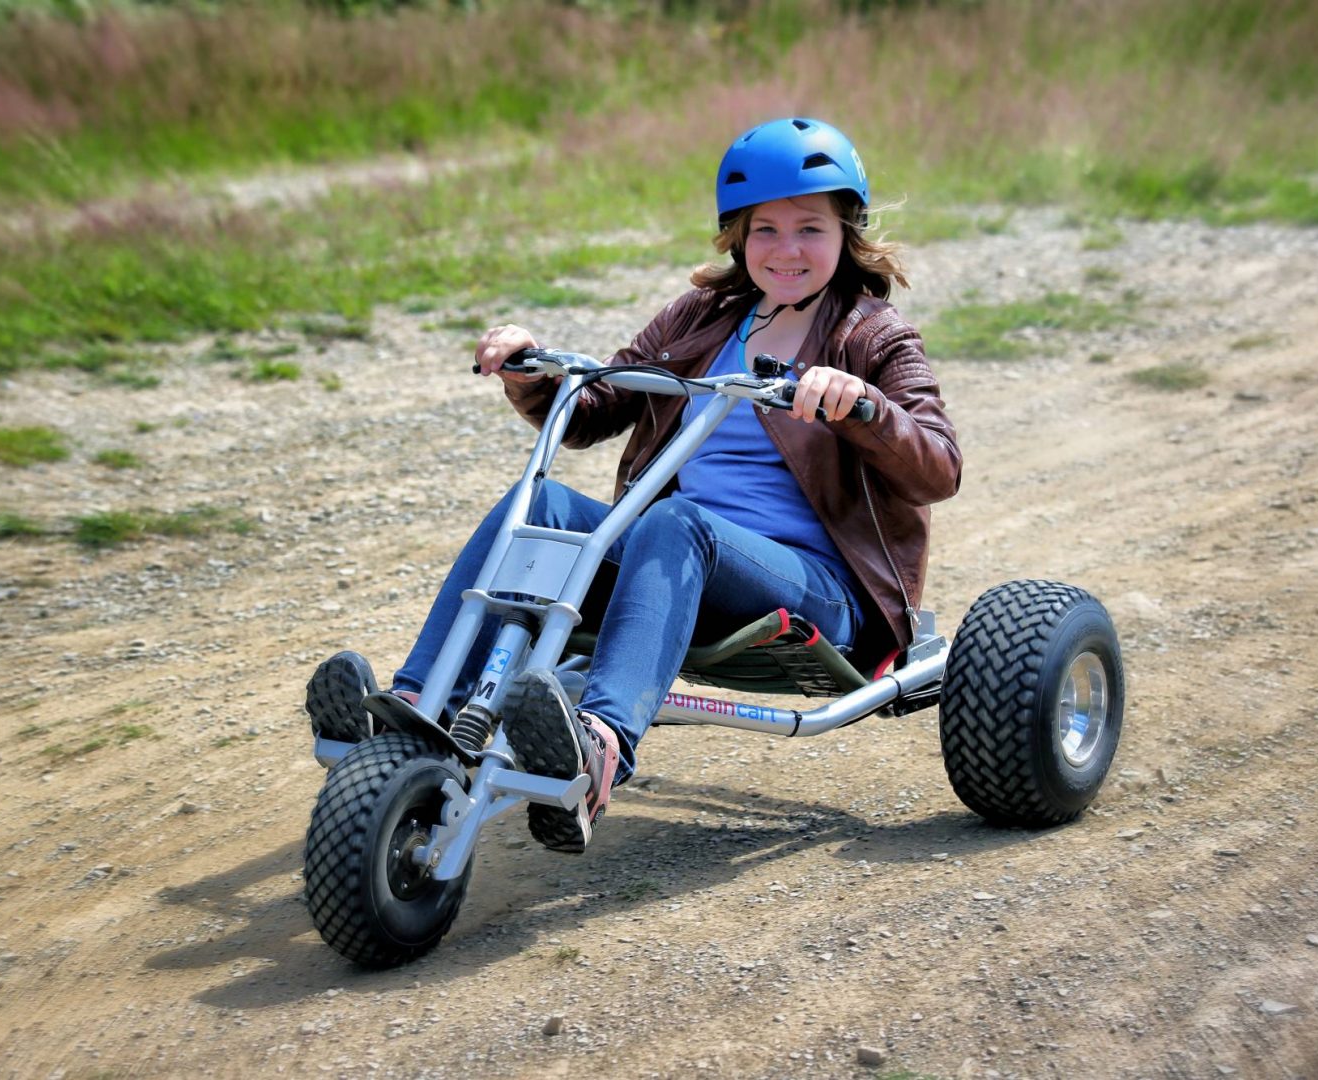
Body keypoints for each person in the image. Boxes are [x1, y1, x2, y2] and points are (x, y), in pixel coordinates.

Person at [307, 117, 961, 855]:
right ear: (738, 236)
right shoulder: (704, 318)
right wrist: (533, 371)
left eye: (810, 228)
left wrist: (866, 408)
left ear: (847, 231)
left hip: (818, 588)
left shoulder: (873, 336)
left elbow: (938, 467)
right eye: (765, 229)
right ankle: (418, 707)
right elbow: (596, 408)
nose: (786, 250)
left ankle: (599, 747)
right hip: (674, 564)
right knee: (540, 503)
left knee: (676, 519)